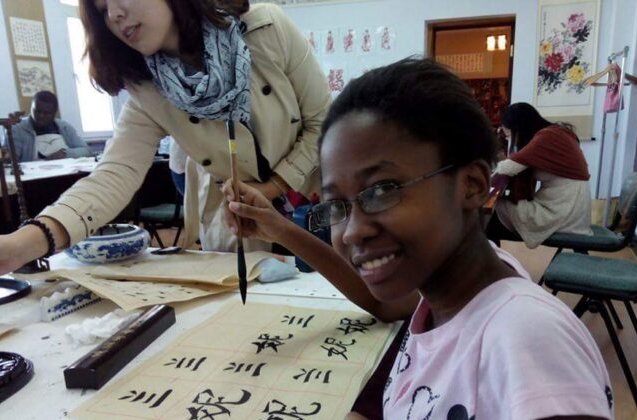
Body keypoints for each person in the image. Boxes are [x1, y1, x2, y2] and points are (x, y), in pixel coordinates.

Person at [222, 59, 613, 419]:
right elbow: (384, 306)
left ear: (473, 184)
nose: (354, 230)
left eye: (381, 190)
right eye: (337, 205)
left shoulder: (527, 340)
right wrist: (276, 226)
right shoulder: (450, 290)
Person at [0, 0, 329, 281]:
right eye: (102, 11)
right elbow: (113, 176)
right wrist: (22, 245)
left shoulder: (264, 29)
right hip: (244, 226)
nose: (115, 15)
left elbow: (323, 122)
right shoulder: (146, 90)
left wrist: (271, 188)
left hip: (314, 202)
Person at [487, 102, 593, 248]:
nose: (508, 140)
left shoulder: (547, 137)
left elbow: (507, 168)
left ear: (519, 128)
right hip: (571, 208)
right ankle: (493, 260)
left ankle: (491, 263)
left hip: (562, 212)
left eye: (510, 135)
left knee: (492, 213)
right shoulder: (556, 132)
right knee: (496, 213)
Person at [11, 91, 92, 162]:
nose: (41, 116)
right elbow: (12, 160)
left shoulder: (64, 127)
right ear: (31, 108)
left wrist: (65, 154)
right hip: (35, 176)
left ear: (54, 113)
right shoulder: (17, 128)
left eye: (46, 113)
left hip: (65, 173)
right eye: (37, 111)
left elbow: (87, 151)